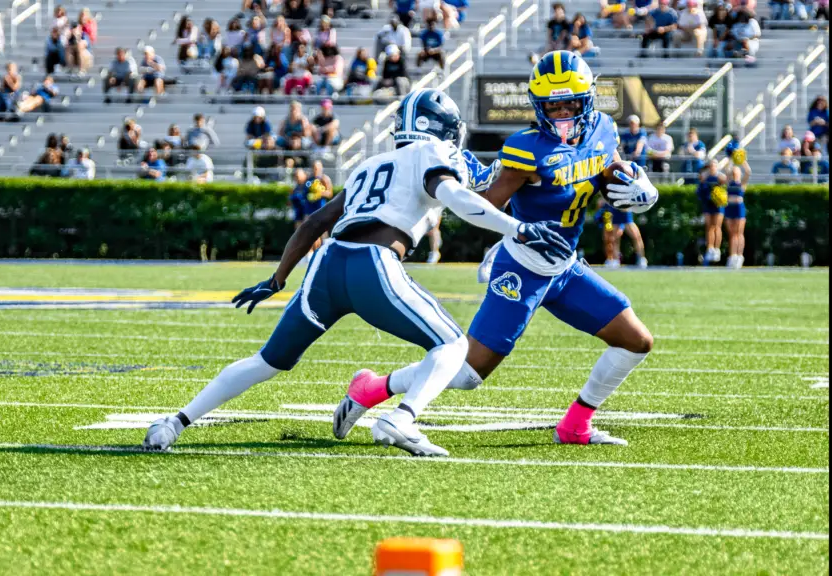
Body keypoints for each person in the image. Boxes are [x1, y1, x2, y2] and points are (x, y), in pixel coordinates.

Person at [142, 88, 571, 457]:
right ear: (443, 129)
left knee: (267, 361)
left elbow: (314, 224)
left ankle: (173, 422)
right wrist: (519, 228)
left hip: (326, 265)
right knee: (453, 345)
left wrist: (277, 279)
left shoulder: (371, 165)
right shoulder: (432, 152)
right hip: (373, 264)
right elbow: (455, 196)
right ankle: (402, 419)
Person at [332, 51, 660, 447]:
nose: (561, 113)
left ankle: (575, 426)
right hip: (521, 267)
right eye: (552, 106)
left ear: (588, 99)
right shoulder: (526, 148)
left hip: (565, 267)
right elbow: (488, 205)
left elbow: (608, 171)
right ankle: (374, 386)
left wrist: (637, 190)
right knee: (468, 374)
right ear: (539, 107)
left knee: (635, 340)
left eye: (570, 103)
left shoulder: (604, 129)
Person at [696, 156, 726, 263]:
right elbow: (700, 182)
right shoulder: (706, 176)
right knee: (709, 226)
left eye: (715, 165)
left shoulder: (720, 177)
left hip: (718, 205)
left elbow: (725, 182)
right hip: (708, 204)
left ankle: (717, 249)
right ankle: (710, 248)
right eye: (711, 165)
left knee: (717, 226)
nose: (713, 167)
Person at [724, 161, 751, 269]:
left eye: (736, 172)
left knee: (739, 233)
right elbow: (727, 169)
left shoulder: (742, 183)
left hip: (739, 208)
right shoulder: (728, 182)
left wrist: (743, 161)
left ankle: (739, 255)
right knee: (732, 234)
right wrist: (731, 158)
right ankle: (732, 256)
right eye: (733, 172)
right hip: (730, 207)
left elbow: (748, 172)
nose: (735, 173)